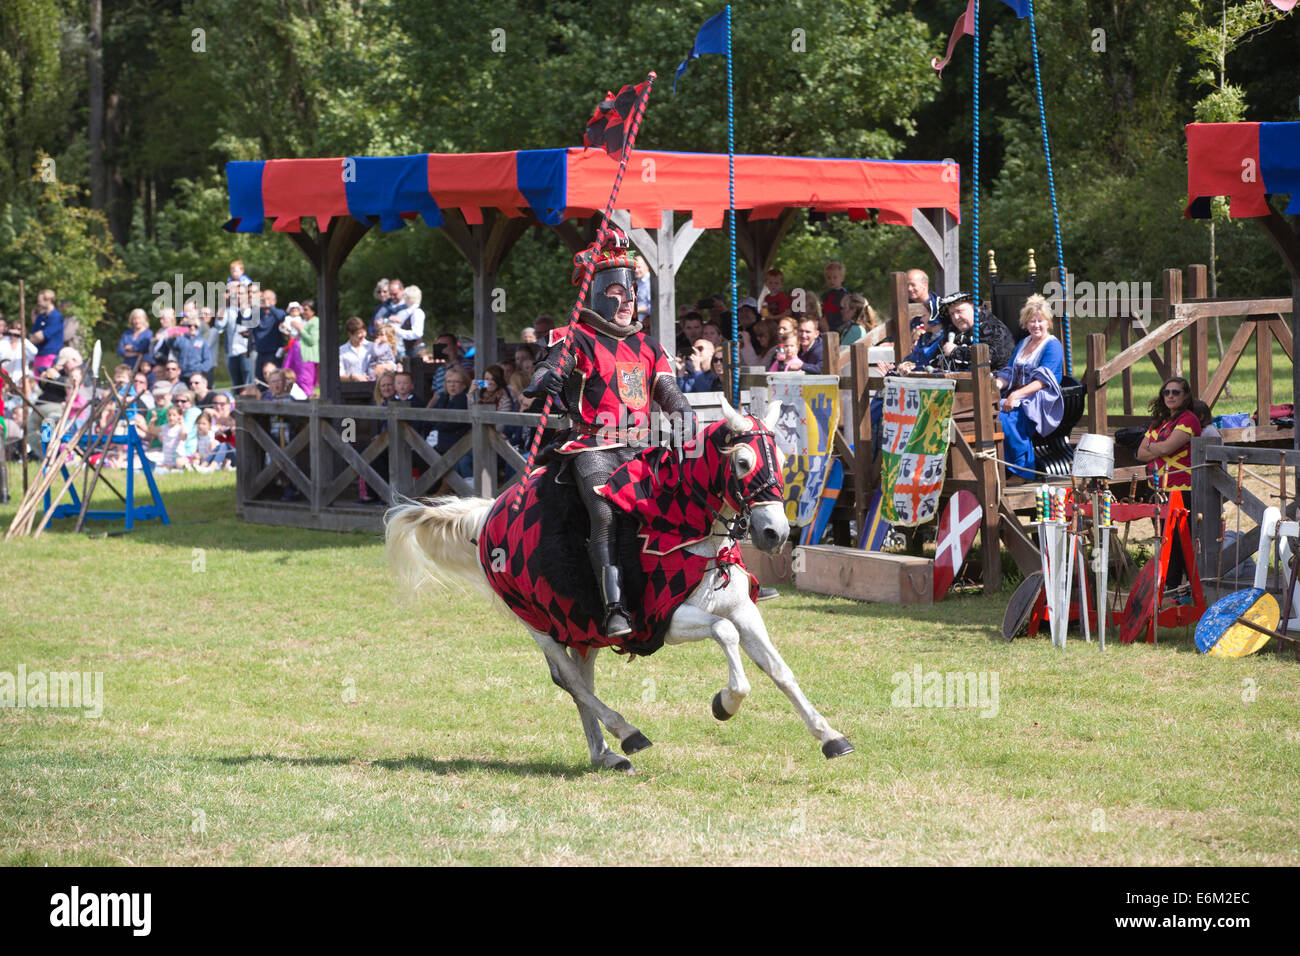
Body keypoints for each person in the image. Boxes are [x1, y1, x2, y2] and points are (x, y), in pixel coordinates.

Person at [525, 227, 696, 639]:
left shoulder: (649, 346)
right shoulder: (576, 338)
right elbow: (550, 368)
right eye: (619, 291)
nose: (629, 300)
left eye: (633, 291)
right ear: (599, 292)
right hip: (593, 444)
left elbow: (666, 387)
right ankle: (614, 607)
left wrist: (682, 409)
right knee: (605, 513)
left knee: (684, 497)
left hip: (641, 447)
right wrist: (546, 378)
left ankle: (687, 583)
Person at [994, 294, 1066, 480]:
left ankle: (1023, 472)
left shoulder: (1053, 346)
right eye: (1031, 321)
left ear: (1048, 323)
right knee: (989, 416)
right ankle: (1003, 468)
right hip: (1017, 394)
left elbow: (1042, 381)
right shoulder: (1023, 343)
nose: (1036, 325)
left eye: (1040, 321)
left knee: (1007, 421)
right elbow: (1010, 371)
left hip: (1040, 397)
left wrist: (1016, 395)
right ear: (1025, 324)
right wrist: (997, 384)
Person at [1137, 377, 1200, 490]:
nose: (1170, 396)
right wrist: (1160, 448)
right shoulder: (1160, 421)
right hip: (1154, 487)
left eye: (1176, 392)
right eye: (1166, 392)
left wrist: (1150, 446)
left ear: (1185, 395)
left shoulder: (1188, 419)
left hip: (1181, 488)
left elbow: (1165, 449)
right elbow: (1141, 454)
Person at [936, 291, 1015, 374]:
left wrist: (955, 351)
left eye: (959, 311)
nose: (956, 317)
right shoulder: (953, 331)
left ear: (975, 309)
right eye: (952, 314)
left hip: (993, 381)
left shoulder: (992, 328)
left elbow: (988, 356)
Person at [282, 299, 320, 397]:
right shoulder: (303, 321)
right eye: (302, 309)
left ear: (313, 311)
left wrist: (300, 328)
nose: (303, 312)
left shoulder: (315, 321)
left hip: (306, 358)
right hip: (296, 356)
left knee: (305, 381)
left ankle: (308, 404)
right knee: (291, 379)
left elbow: (312, 340)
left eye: (306, 309)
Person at [28, 289, 63, 374]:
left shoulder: (56, 317)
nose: (38, 303)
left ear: (49, 300)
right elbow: (33, 337)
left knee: (45, 382)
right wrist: (36, 336)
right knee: (37, 382)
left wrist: (37, 336)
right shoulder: (40, 317)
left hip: (49, 356)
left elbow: (42, 336)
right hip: (38, 354)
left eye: (40, 301)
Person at [340, 317, 374, 381]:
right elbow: (339, 375)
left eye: (364, 331)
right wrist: (354, 377)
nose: (363, 335)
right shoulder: (342, 351)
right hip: (351, 388)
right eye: (359, 333)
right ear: (350, 334)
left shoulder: (372, 346)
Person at [821, 261, 851, 334]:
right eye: (829, 278)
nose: (831, 280)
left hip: (839, 329)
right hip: (825, 328)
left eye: (835, 277)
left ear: (842, 278)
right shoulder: (825, 296)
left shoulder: (845, 296)